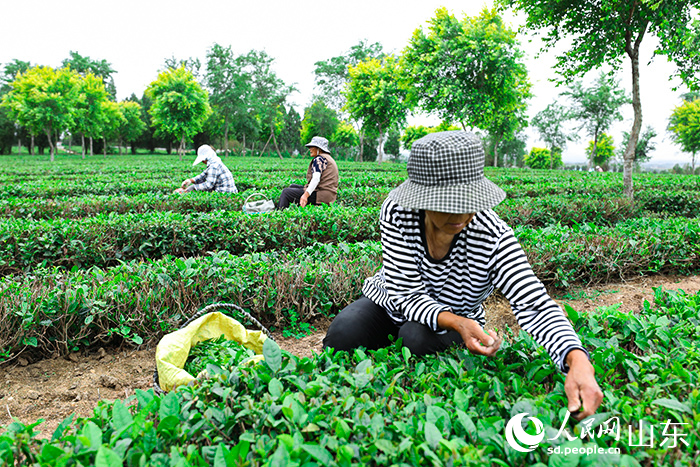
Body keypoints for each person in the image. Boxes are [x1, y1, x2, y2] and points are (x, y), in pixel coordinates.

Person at [323, 130, 602, 420]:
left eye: (469, 201)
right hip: (390, 302)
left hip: (455, 323)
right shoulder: (398, 212)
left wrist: (576, 358)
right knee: (343, 335)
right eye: (448, 203)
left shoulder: (492, 236)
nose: (461, 214)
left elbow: (534, 304)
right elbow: (405, 293)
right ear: (421, 197)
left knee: (414, 337)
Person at [278, 136, 338, 209]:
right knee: (293, 186)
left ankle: (279, 214)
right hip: (329, 194)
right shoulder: (328, 158)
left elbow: (316, 179)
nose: (309, 149)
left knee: (286, 192)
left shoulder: (319, 159)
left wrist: (305, 195)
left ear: (319, 148)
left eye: (312, 147)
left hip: (321, 195)